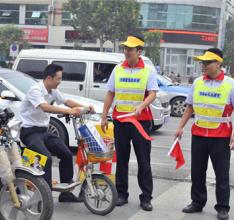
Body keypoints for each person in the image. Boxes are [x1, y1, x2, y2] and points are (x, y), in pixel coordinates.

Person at [19, 64, 94, 203]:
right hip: (29, 132)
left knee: (66, 154)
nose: (60, 81)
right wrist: (69, 111)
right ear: (49, 78)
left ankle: (65, 195)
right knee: (46, 158)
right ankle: (45, 197)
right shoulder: (35, 90)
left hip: (43, 131)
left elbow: (67, 101)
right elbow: (45, 107)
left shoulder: (52, 90)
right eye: (58, 78)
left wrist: (84, 108)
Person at [100, 35, 159, 211]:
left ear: (139, 51)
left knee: (143, 160)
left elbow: (153, 93)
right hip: (120, 120)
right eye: (125, 48)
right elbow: (110, 93)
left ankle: (146, 197)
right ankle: (121, 194)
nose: (126, 52)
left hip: (141, 121)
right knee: (122, 159)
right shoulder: (118, 69)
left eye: (130, 49)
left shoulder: (148, 70)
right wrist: (104, 116)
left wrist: (142, 105)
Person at [174, 48, 232, 220]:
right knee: (197, 171)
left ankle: (222, 207)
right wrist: (180, 126)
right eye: (203, 62)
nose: (204, 65)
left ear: (218, 63)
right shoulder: (198, 82)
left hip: (220, 136)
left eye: (207, 62)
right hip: (198, 133)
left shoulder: (230, 84)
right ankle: (197, 202)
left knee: (221, 173)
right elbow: (190, 106)